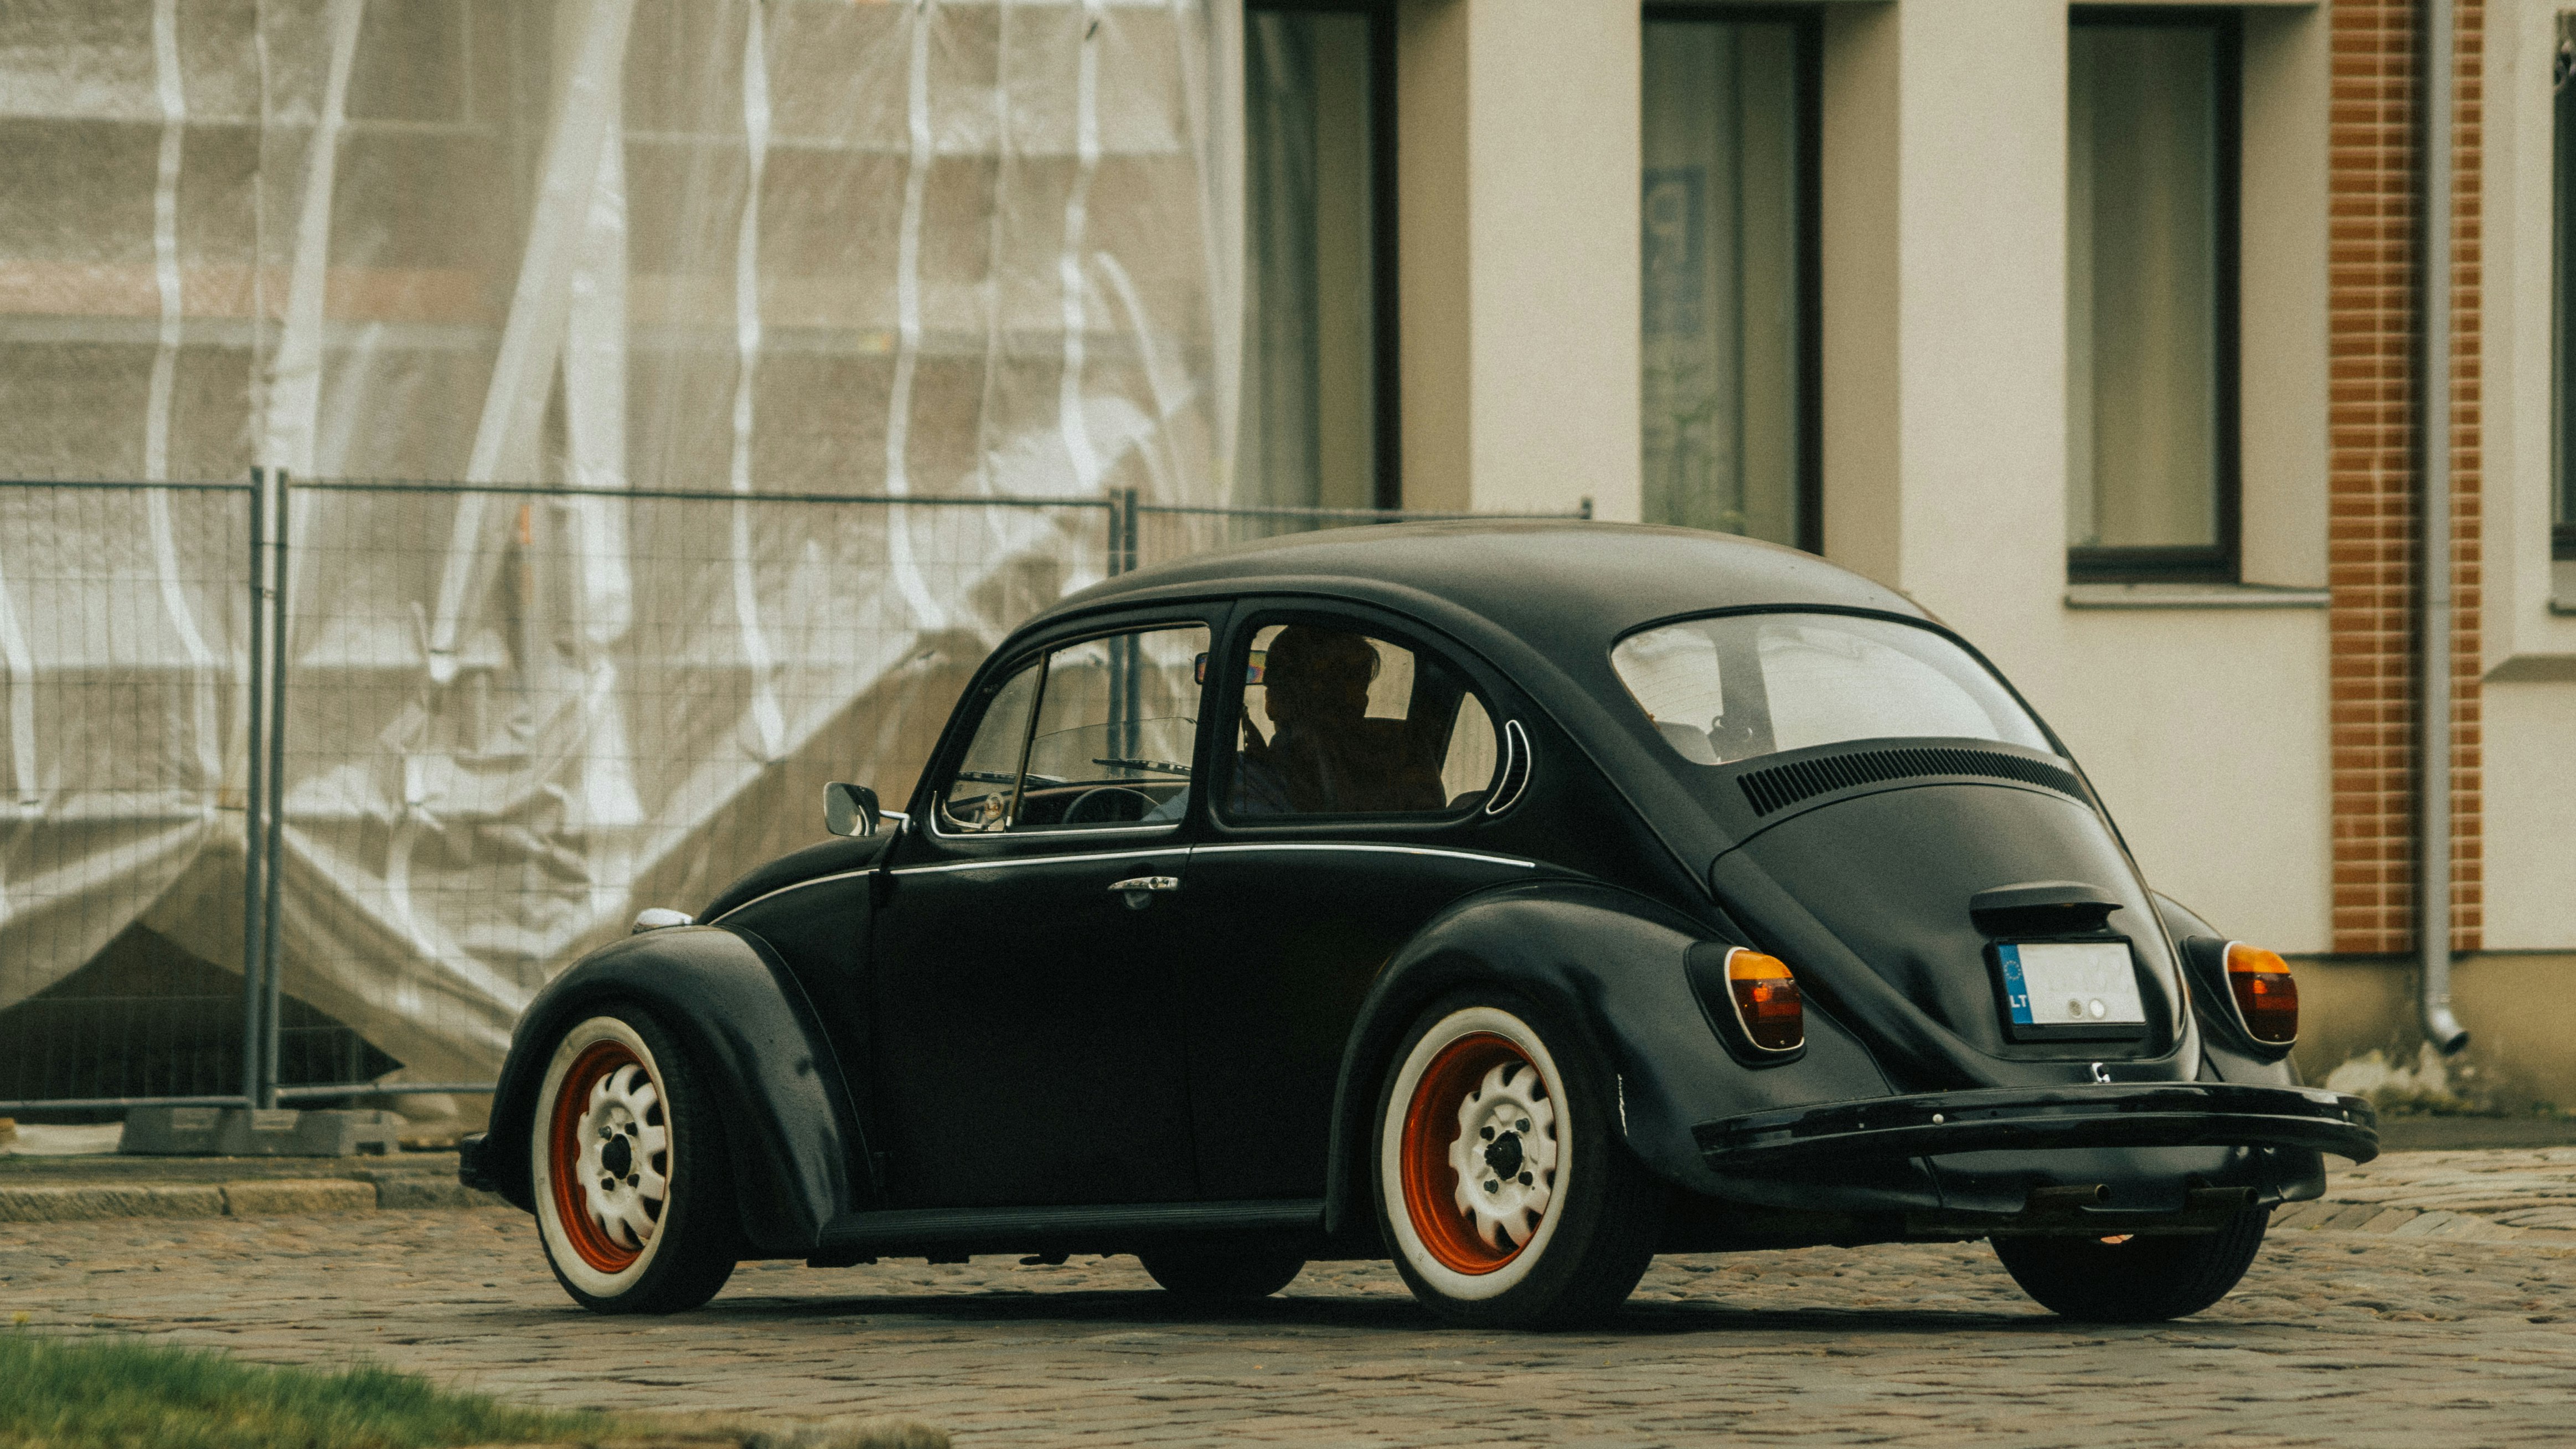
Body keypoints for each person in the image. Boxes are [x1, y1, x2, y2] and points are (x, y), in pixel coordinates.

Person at [1232, 627, 1446, 816]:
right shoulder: (1251, 781)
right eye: (1328, 689)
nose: (1357, 701)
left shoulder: (1248, 779)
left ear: (1271, 702)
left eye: (1355, 685)